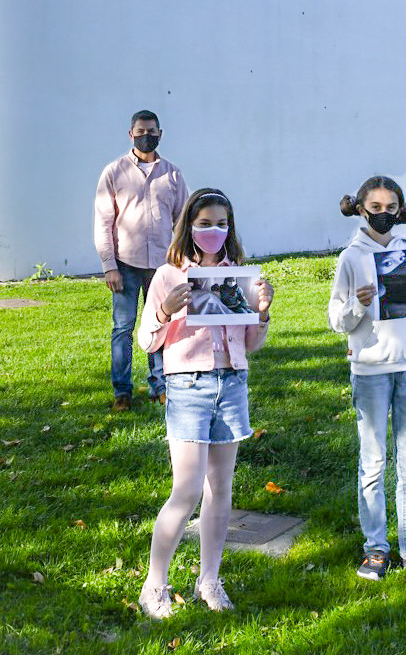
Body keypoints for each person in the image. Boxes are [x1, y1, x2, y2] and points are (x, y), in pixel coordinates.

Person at [135, 188, 274, 618]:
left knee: (221, 490)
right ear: (188, 227)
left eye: (221, 223)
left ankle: (210, 581)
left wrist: (263, 313)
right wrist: (163, 312)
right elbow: (146, 341)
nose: (213, 231)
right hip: (189, 386)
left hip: (232, 384)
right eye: (204, 224)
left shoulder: (240, 276)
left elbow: (251, 343)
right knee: (187, 489)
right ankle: (154, 585)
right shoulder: (168, 275)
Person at [329, 176, 406, 580]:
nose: (384, 214)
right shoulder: (351, 257)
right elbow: (337, 320)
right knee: (374, 462)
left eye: (390, 207)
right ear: (362, 209)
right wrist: (356, 304)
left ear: (400, 210)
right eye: (375, 207)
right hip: (371, 369)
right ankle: (375, 548)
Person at [94, 110, 188, 410]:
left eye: (151, 130)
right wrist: (109, 266)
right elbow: (103, 222)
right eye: (140, 131)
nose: (146, 135)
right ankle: (122, 391)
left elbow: (183, 220)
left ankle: (159, 385)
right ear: (130, 134)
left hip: (162, 266)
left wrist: (182, 260)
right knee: (123, 327)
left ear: (160, 133)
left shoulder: (172, 174)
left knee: (162, 324)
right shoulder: (114, 172)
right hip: (125, 264)